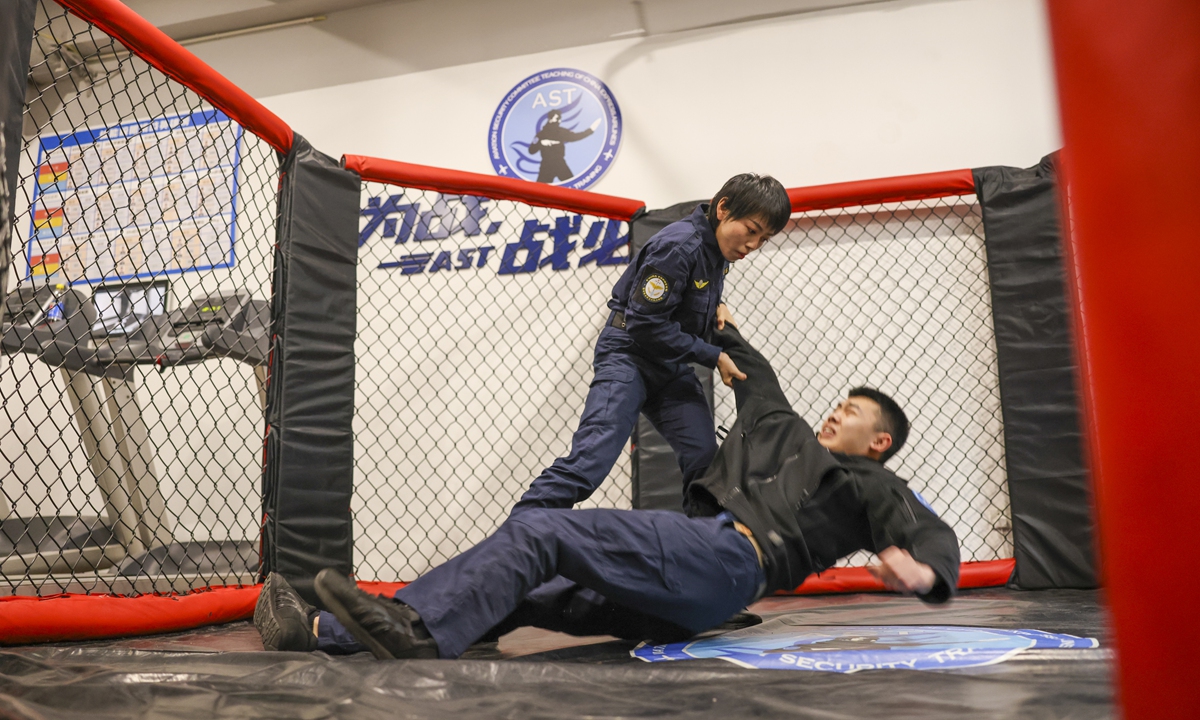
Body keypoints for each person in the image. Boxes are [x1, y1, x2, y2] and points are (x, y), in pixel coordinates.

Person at [255, 324, 961, 659]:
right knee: (527, 590)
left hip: (730, 561)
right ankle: (319, 632)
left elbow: (933, 538)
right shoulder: (779, 423)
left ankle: (412, 632)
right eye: (839, 402)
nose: (838, 412)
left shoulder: (875, 485)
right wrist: (701, 305)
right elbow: (747, 359)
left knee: (543, 529)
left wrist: (923, 572)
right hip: (686, 598)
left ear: (879, 442)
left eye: (855, 415)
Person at [512, 173, 791, 516]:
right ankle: (515, 541)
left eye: (763, 239)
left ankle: (699, 550)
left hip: (670, 366)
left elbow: (688, 300)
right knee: (590, 461)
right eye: (751, 230)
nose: (752, 245)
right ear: (723, 209)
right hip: (629, 356)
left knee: (706, 467)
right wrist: (714, 355)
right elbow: (646, 324)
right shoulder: (679, 245)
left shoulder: (718, 251)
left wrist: (717, 310)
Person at [528, 109, 597, 183]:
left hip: (559, 163)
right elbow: (531, 150)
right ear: (550, 119)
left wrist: (590, 131)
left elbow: (576, 136)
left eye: (560, 118)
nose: (559, 121)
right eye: (557, 118)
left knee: (572, 188)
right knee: (540, 191)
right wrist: (541, 143)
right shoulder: (541, 134)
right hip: (546, 165)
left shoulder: (562, 132)